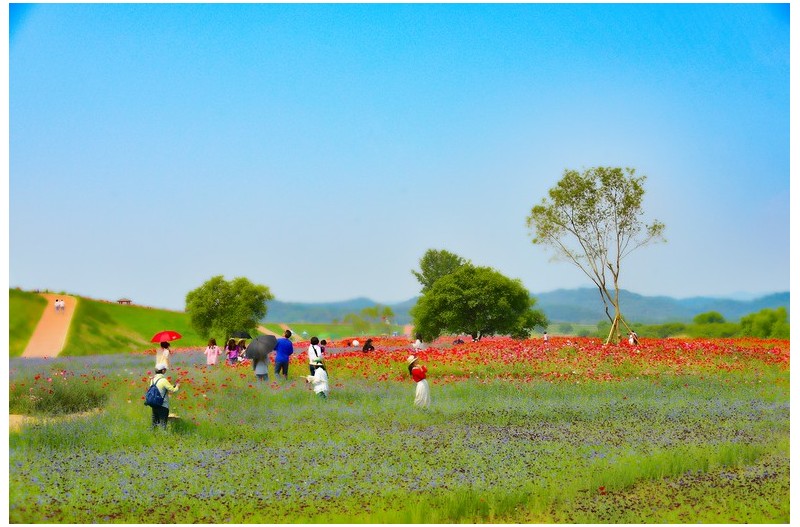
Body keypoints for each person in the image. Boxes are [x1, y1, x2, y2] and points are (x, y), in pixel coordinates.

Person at [149, 364, 179, 429]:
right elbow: (173, 390)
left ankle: (153, 435)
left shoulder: (152, 380)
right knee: (163, 424)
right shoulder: (163, 380)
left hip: (154, 404)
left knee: (154, 423)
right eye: (165, 370)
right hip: (163, 405)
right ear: (162, 371)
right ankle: (163, 437)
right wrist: (177, 386)